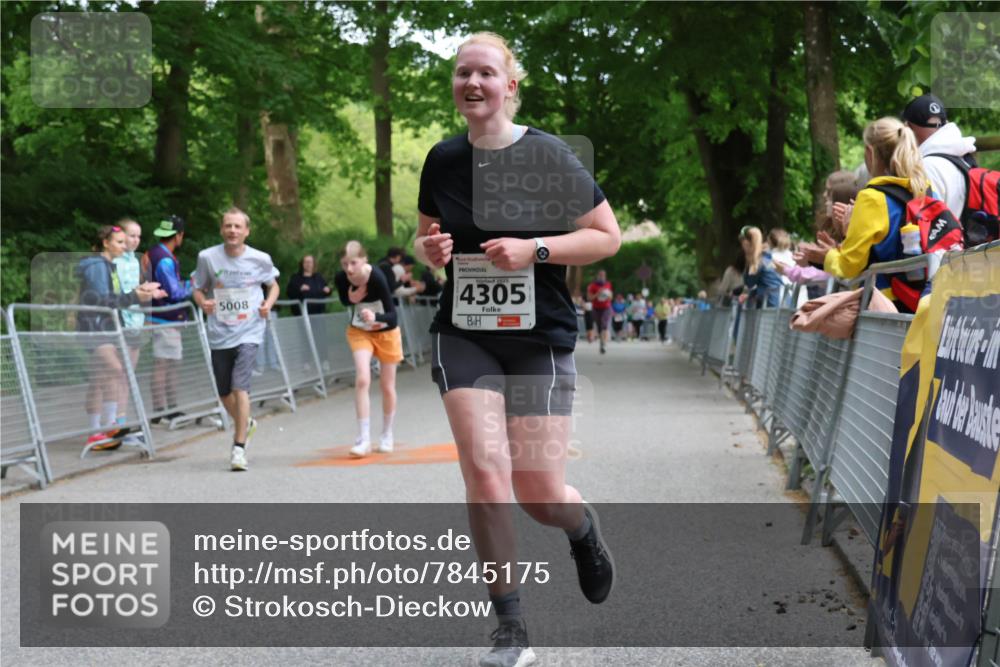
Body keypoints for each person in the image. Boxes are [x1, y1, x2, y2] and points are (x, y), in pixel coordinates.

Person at [413, 32, 620, 667]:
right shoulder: (442, 159)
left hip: (538, 336)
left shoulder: (549, 155)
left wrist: (536, 249)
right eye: (461, 74)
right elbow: (427, 236)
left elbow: (606, 237)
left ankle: (581, 528)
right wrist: (433, 252)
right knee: (485, 471)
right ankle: (510, 626)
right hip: (467, 334)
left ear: (510, 85)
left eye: (485, 74)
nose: (471, 84)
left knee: (536, 489)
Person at [798, 117, 935, 309]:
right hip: (924, 302)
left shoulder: (872, 198)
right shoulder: (926, 191)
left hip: (884, 308)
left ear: (870, 152)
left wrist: (826, 257)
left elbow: (850, 265)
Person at [192, 207, 279, 472]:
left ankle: (238, 448)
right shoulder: (207, 257)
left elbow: (273, 285)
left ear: (246, 231)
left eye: (237, 227)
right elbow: (197, 287)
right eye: (228, 226)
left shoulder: (260, 258)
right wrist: (203, 302)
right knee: (224, 392)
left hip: (249, 330)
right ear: (222, 230)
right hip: (220, 332)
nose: (232, 231)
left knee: (240, 386)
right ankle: (247, 422)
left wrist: (268, 303)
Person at [77, 225, 164, 450]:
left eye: (126, 242)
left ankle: (102, 429)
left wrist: (140, 292)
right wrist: (135, 296)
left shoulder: (109, 266)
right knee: (115, 370)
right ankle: (104, 427)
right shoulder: (97, 266)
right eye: (120, 242)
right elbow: (101, 300)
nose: (125, 247)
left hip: (107, 327)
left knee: (101, 377)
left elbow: (115, 298)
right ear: (106, 243)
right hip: (94, 328)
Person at [333, 240, 403, 457]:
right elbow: (345, 299)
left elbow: (393, 317)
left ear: (364, 260)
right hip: (360, 331)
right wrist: (350, 298)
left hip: (386, 332)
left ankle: (386, 433)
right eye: (345, 264)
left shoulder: (377, 277)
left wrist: (376, 317)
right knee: (363, 378)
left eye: (353, 262)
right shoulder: (340, 277)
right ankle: (363, 438)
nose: (349, 269)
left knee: (386, 385)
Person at [144, 215, 193, 424]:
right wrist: (193, 285)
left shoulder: (151, 253)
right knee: (164, 365)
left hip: (160, 318)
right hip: (165, 319)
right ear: (179, 235)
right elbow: (174, 292)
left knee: (170, 364)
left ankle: (170, 409)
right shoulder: (164, 259)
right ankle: (162, 412)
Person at [902, 94, 977, 220]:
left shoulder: (926, 167)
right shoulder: (964, 155)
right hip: (977, 237)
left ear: (908, 127)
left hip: (949, 239)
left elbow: (925, 223)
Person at [112, 219, 146, 443]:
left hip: (136, 321)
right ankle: (110, 425)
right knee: (115, 374)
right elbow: (116, 292)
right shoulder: (113, 260)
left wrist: (146, 291)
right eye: (131, 235)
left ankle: (121, 423)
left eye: (138, 236)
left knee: (127, 375)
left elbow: (135, 290)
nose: (135, 240)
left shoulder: (135, 261)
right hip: (119, 321)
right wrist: (136, 293)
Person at [738, 226, 783, 308]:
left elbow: (749, 282)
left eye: (742, 243)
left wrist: (748, 261)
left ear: (746, 243)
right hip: (780, 302)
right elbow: (765, 284)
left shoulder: (759, 261)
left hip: (771, 305)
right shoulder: (766, 259)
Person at [586, 269, 613, 353]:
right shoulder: (593, 286)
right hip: (596, 309)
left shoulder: (608, 284)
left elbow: (611, 297)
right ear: (597, 276)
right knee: (599, 326)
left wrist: (608, 295)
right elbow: (589, 298)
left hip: (606, 308)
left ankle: (603, 344)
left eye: (603, 275)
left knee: (604, 324)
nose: (602, 277)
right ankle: (601, 342)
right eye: (600, 275)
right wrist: (598, 293)